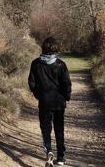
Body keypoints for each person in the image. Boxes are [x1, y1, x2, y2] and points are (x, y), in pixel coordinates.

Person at [28, 36, 72, 166]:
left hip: (44, 102)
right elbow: (67, 84)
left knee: (45, 129)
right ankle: (61, 157)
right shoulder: (61, 65)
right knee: (59, 129)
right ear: (56, 48)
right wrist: (66, 97)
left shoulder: (35, 63)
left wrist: (39, 95)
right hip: (58, 103)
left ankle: (48, 152)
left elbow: (31, 83)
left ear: (43, 47)